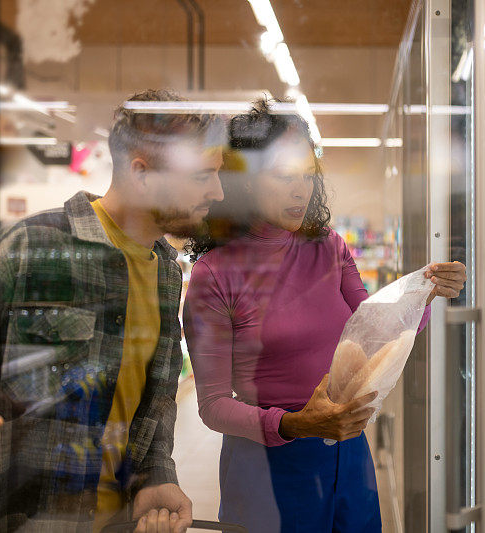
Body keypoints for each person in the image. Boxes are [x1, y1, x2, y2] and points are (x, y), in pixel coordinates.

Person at [182, 101, 467, 532]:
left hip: (347, 451)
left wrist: (423, 294)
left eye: (308, 176)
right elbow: (213, 406)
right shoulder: (214, 276)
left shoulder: (328, 247)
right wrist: (297, 424)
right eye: (283, 177)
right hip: (269, 465)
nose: (301, 191)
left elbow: (375, 330)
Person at [0, 89, 224, 532]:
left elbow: (154, 402)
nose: (217, 191)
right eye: (201, 176)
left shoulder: (166, 273)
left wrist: (155, 477)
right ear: (141, 173)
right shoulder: (33, 246)